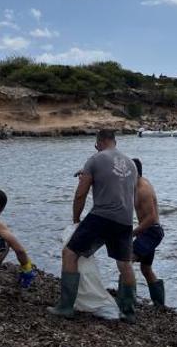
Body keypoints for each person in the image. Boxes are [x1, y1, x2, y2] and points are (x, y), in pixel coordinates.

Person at [48, 129, 139, 322]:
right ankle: (129, 312)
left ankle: (65, 307)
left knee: (70, 253)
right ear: (114, 141)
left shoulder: (95, 159)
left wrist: (76, 218)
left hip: (102, 215)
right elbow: (126, 191)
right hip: (125, 220)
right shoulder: (131, 164)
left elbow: (81, 192)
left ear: (99, 142)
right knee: (125, 264)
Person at [131, 158, 165, 307]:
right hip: (148, 232)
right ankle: (159, 304)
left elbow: (151, 218)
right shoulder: (137, 184)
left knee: (126, 259)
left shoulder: (143, 189)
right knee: (145, 268)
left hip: (151, 232)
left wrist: (133, 233)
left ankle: (126, 300)